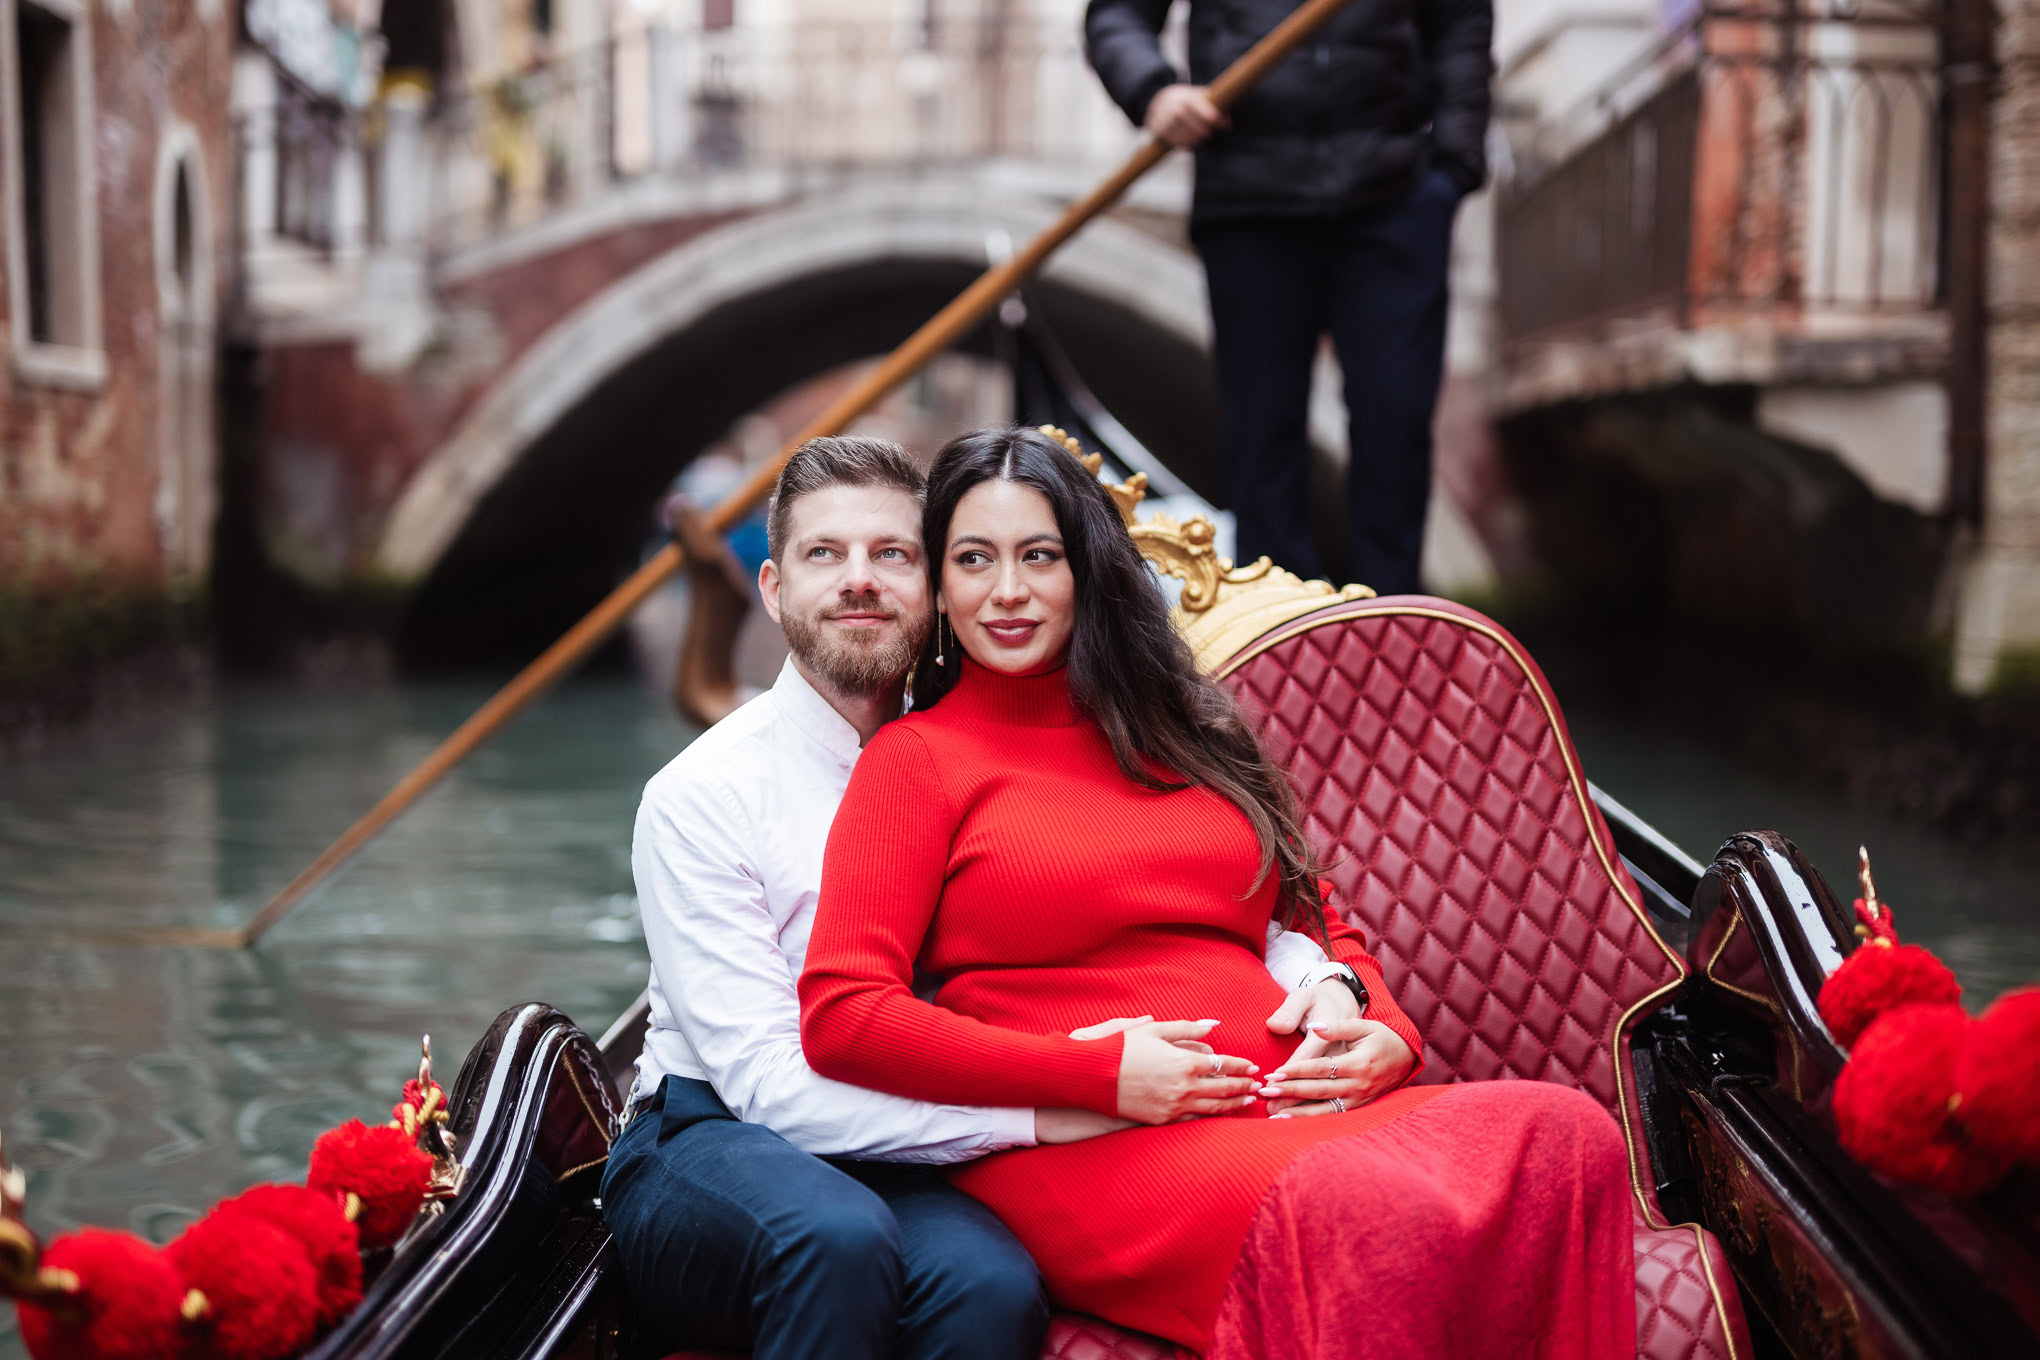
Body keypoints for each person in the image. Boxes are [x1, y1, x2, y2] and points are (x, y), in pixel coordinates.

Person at [798, 427, 1636, 1358]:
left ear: (1086, 570)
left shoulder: (1185, 736)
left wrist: (1383, 1029)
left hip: (1278, 1108)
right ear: (940, 590)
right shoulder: (914, 762)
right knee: (1357, 1206)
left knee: (1567, 1133)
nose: (1006, 591)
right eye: (973, 560)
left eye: (1039, 556)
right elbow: (846, 1014)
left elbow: (1318, 923)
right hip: (1092, 1148)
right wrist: (1103, 1076)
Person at [603, 434, 1373, 1360]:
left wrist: (1331, 978)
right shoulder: (700, 795)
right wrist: (1052, 1108)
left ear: (933, 591)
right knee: (834, 1240)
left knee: (993, 1288)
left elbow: (1196, 901)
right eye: (824, 556)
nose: (861, 581)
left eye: (892, 555)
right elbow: (769, 1084)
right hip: (713, 1129)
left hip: (907, 1123)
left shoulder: (968, 747)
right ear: (773, 591)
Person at [1083, 0, 1493, 595]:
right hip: (1249, 200)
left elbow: (1460, 17)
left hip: (1395, 195)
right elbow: (1118, 14)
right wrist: (1154, 92)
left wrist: (1454, 165)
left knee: (1396, 426)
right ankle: (1279, 626)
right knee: (1262, 432)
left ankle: (1397, 620)